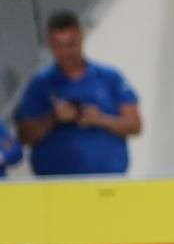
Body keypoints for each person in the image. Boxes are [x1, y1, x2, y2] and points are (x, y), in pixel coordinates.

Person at [14, 10, 140, 176]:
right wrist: (54, 118)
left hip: (108, 184)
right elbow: (24, 136)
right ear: (50, 45)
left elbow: (135, 125)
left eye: (71, 44)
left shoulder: (109, 77)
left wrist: (101, 119)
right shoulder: (39, 85)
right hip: (55, 187)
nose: (66, 52)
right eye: (59, 46)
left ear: (81, 37)